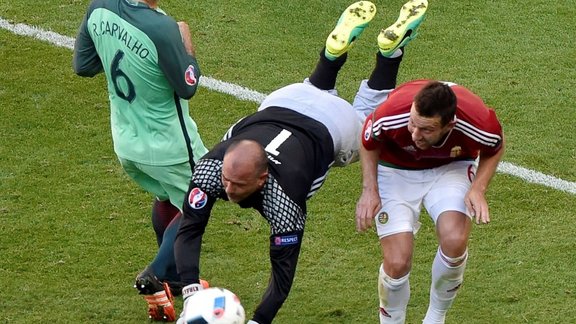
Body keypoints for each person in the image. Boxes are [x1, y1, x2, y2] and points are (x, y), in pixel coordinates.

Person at [172, 2, 387, 323]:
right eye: (227, 180)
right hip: (281, 104)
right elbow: (189, 229)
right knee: (318, 95)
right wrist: (191, 295)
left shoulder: (284, 204)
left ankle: (387, 54)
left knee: (367, 123)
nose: (226, 189)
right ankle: (334, 55)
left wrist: (259, 320)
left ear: (262, 180)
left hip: (327, 121)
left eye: (238, 185)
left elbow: (281, 278)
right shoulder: (210, 170)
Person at [353, 1, 505, 323]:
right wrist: (369, 190)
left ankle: (435, 317)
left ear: (450, 125)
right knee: (397, 263)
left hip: (448, 169)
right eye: (413, 123)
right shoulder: (392, 113)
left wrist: (478, 188)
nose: (415, 133)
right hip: (395, 170)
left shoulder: (478, 120)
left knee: (454, 240)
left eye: (426, 129)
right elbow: (367, 142)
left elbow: (495, 147)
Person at [72, 0, 208, 321]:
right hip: (169, 146)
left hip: (127, 141)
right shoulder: (161, 28)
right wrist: (186, 44)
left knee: (166, 195)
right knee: (200, 199)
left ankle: (173, 279)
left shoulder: (98, 8)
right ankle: (155, 273)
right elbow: (188, 86)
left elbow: (83, 65)